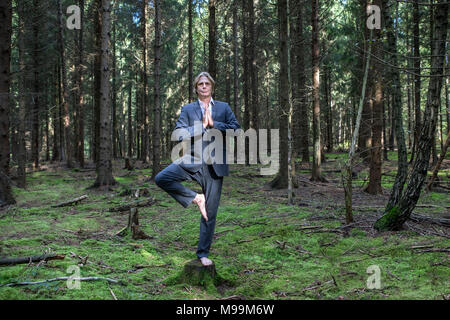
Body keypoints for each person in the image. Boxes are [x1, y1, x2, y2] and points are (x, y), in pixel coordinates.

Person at [155, 72, 240, 266]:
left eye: (206, 83)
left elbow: (237, 130)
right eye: (200, 84)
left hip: (215, 167)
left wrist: (214, 124)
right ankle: (195, 198)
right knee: (162, 178)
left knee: (209, 213)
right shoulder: (188, 109)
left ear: (212, 86)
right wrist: (201, 127)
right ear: (196, 88)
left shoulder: (224, 108)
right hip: (190, 161)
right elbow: (178, 134)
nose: (203, 86)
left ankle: (202, 254)